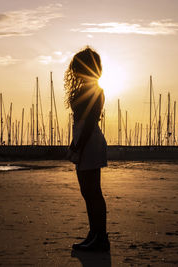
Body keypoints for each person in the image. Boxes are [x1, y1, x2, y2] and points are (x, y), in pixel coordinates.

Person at [64, 46, 109, 252]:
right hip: (85, 139)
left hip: (89, 141)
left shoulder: (95, 90)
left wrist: (78, 145)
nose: (74, 72)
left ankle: (100, 237)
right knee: (87, 191)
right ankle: (94, 234)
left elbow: (90, 121)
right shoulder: (85, 89)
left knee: (92, 192)